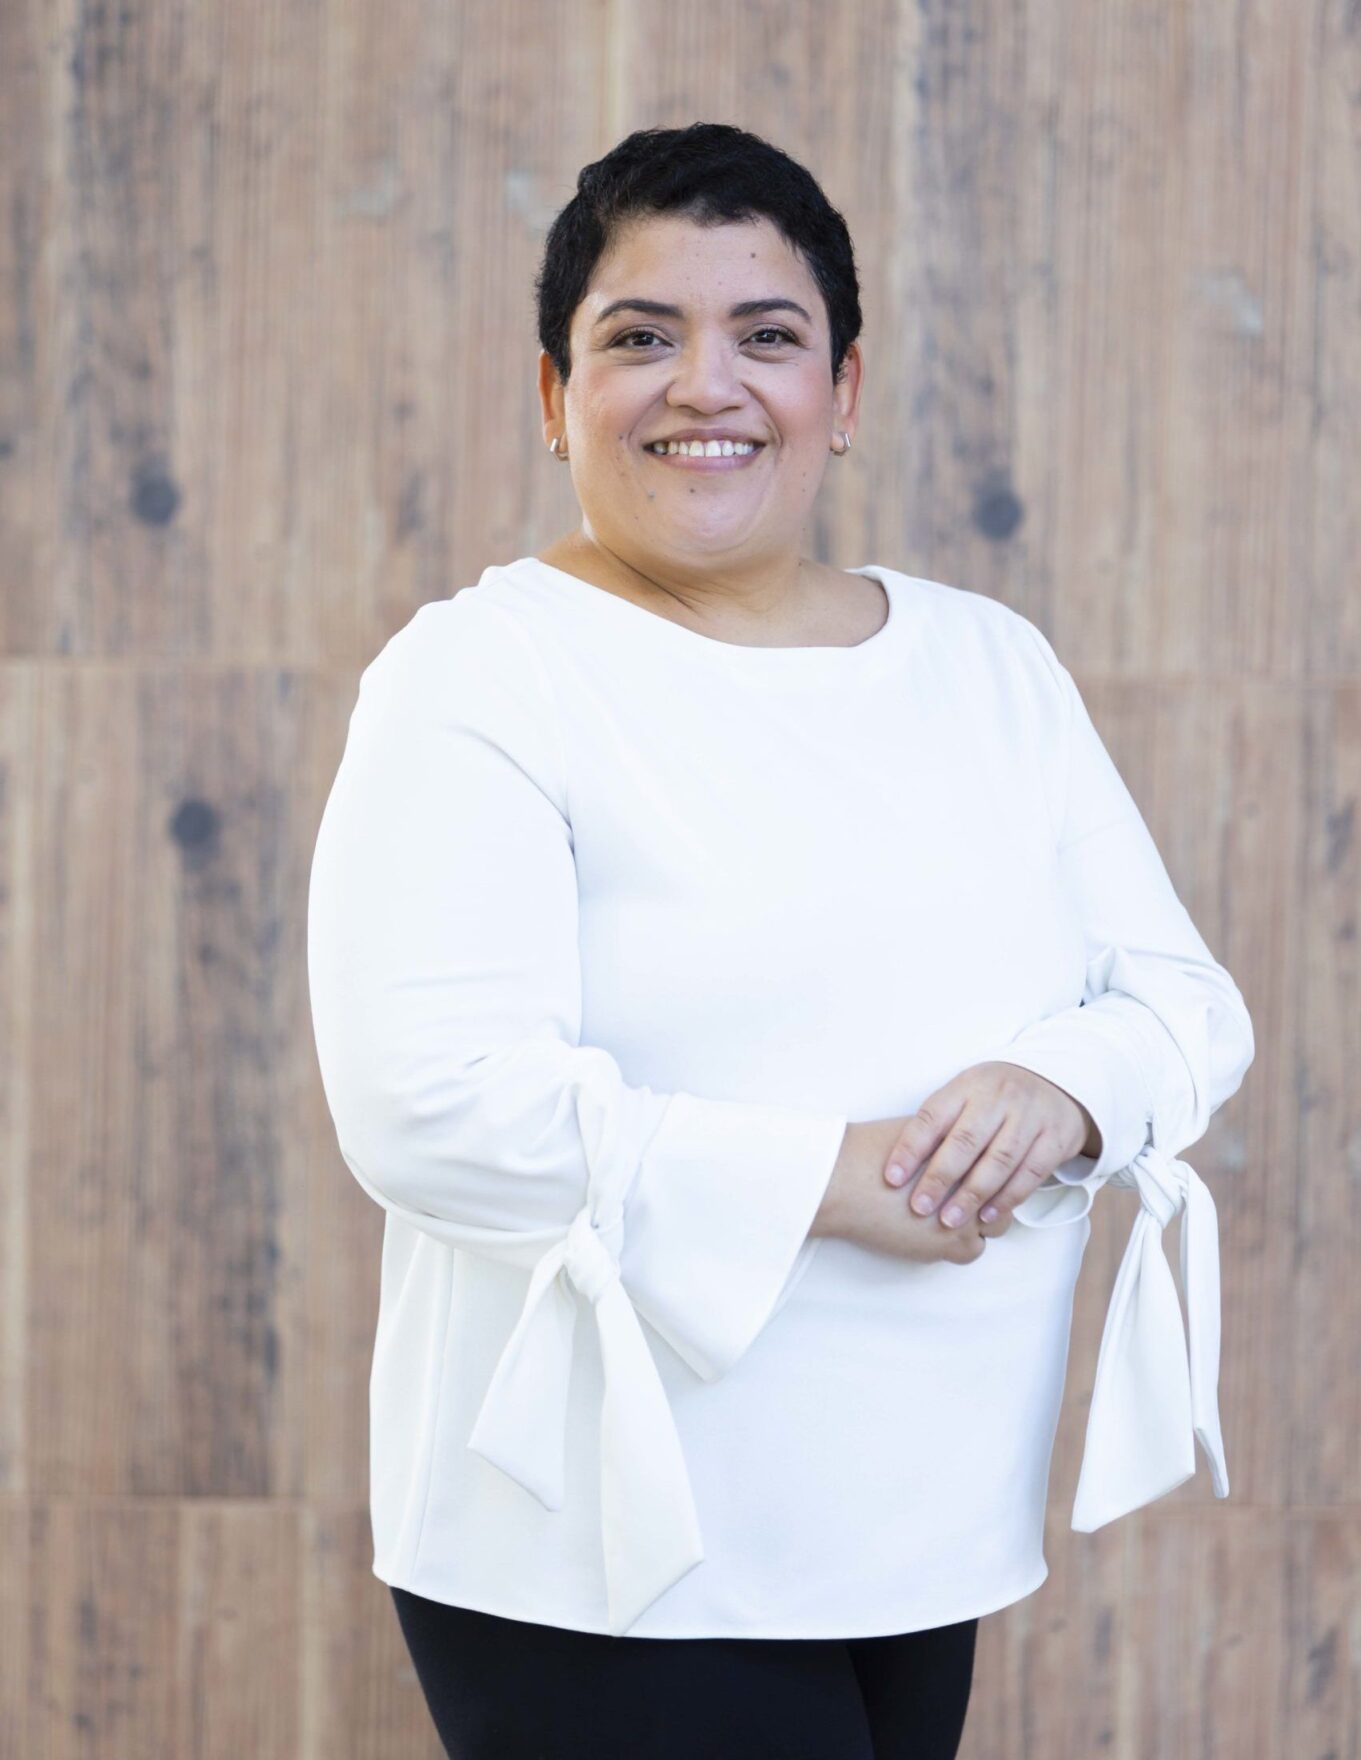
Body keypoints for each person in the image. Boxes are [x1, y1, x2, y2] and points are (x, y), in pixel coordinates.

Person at [306, 121, 1255, 1759]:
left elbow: (1179, 1001)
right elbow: (431, 1108)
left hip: (920, 1518)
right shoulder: (483, 674)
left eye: (765, 335)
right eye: (638, 337)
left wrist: (1063, 1088)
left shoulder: (986, 664)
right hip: (607, 1547)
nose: (706, 385)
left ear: (842, 390)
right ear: (553, 397)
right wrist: (845, 1178)